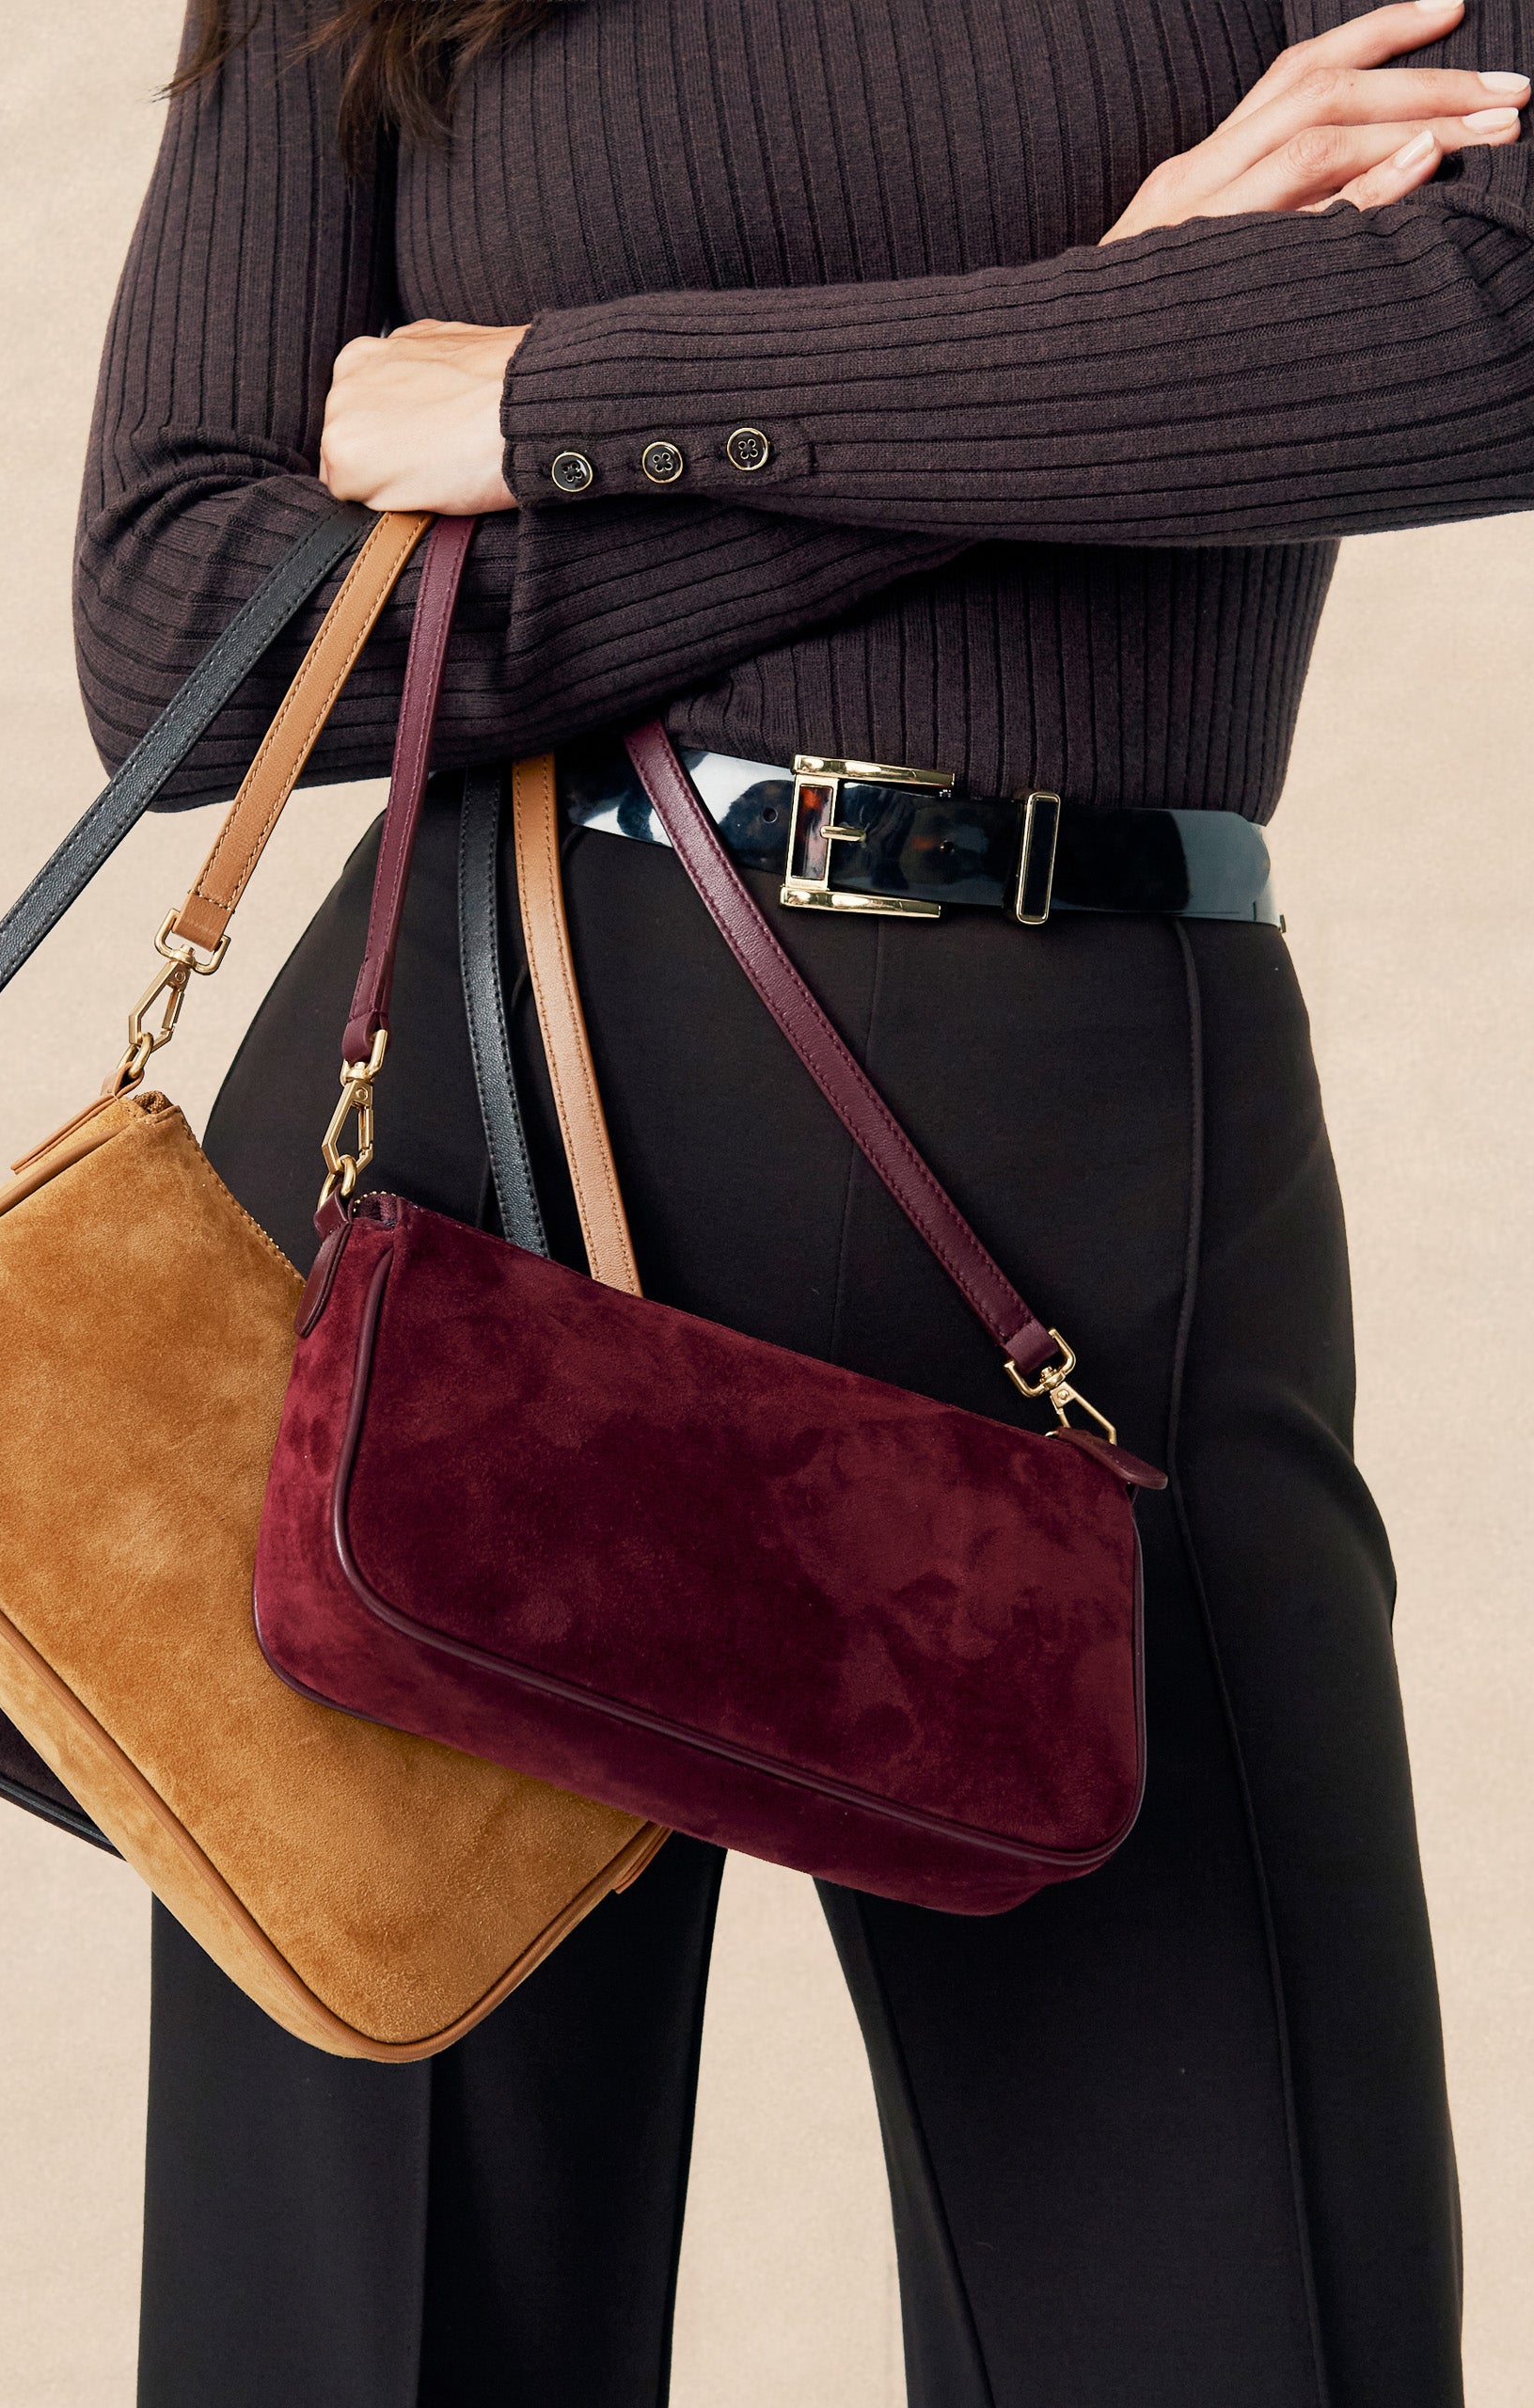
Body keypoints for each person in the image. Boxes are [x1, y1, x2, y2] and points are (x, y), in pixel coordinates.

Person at [75, 5, 1531, 2401]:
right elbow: (185, 625)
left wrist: (566, 414)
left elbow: (1492, 323)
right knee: (373, 2332)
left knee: (1239, 2306)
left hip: (1096, 1185)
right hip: (464, 1145)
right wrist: (1121, 325)